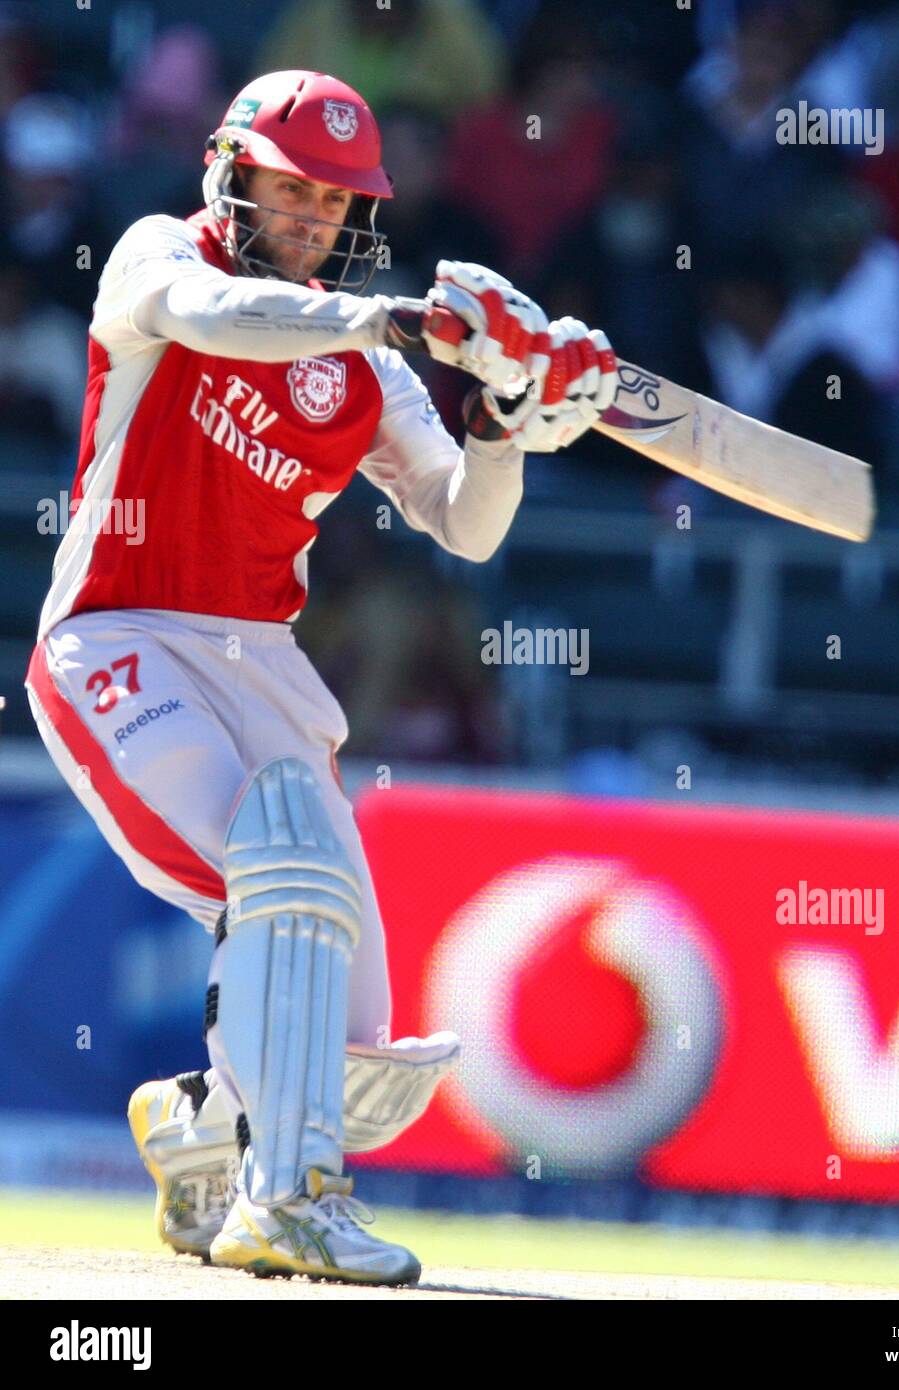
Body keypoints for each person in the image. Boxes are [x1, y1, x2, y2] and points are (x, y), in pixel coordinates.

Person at [23, 68, 617, 1286]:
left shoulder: (367, 372)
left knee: (356, 1064)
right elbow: (208, 313)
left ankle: (205, 1134)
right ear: (228, 172)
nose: (305, 218)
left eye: (331, 202)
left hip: (268, 669)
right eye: (286, 188)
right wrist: (391, 319)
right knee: (279, 875)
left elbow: (465, 524)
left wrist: (505, 422)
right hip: (120, 636)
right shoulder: (153, 257)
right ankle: (284, 1201)